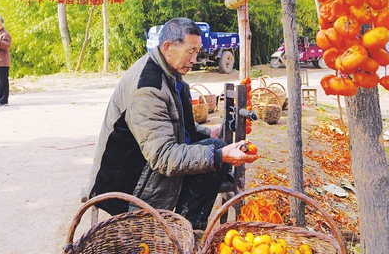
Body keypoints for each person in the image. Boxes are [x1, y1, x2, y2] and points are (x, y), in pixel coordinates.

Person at [86, 17, 259, 229]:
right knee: (216, 156)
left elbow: (173, 126)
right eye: (191, 51)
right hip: (128, 185)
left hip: (146, 169)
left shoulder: (169, 74)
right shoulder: (148, 89)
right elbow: (162, 156)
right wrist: (220, 155)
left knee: (214, 148)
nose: (195, 59)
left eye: (197, 51)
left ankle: (188, 229)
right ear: (168, 47)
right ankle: (186, 233)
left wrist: (208, 133)